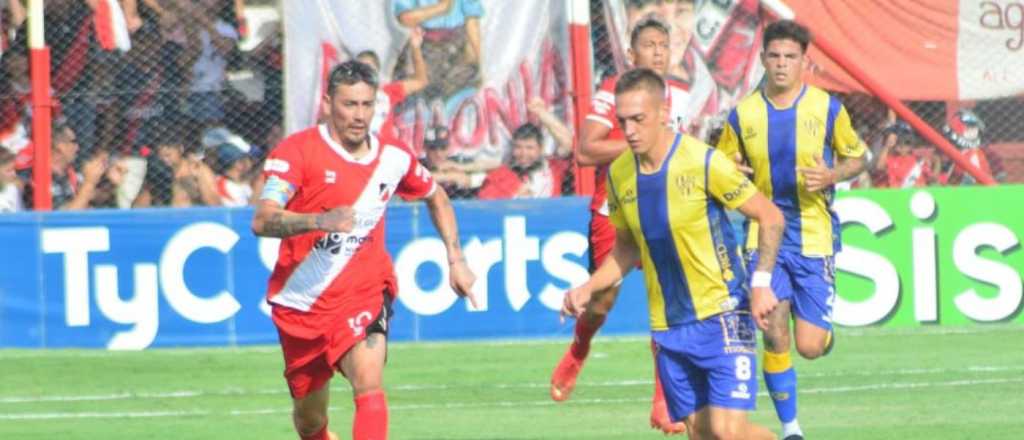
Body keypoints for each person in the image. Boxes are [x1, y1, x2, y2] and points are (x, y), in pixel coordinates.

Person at [251, 61, 477, 440]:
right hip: (302, 304)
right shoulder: (297, 153)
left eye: (366, 105)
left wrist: (457, 260)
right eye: (349, 104)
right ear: (327, 104)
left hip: (363, 292)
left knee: (368, 377)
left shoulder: (394, 157)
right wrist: (317, 221)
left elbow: (436, 196)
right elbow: (263, 220)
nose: (359, 115)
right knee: (309, 422)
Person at [562, 68, 783, 440]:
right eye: (622, 121)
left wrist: (761, 283)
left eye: (638, 119)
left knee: (729, 433)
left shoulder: (702, 161)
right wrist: (589, 287)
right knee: (702, 434)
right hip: (668, 328)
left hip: (723, 313)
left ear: (663, 112)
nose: (629, 130)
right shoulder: (618, 176)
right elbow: (626, 249)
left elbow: (770, 216)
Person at [715, 20, 868, 440]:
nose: (781, 64)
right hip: (764, 237)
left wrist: (833, 173)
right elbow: (721, 163)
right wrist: (731, 171)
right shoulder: (742, 114)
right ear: (763, 59)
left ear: (804, 62)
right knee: (773, 331)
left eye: (790, 57)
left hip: (814, 234)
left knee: (810, 347)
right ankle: (792, 429)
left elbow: (860, 157)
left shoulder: (827, 108)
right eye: (774, 56)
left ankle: (823, 335)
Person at [551, 16, 693, 434]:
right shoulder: (611, 90)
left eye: (663, 45)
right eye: (648, 45)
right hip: (614, 211)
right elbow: (585, 149)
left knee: (667, 302)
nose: (658, 52)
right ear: (631, 54)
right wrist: (640, 141)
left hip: (665, 211)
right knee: (602, 302)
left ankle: (663, 402)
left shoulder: (681, 95)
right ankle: (579, 348)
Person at [477, 98, 573, 200]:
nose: (523, 153)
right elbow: (487, 204)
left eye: (529, 148)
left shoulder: (554, 167)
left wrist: (542, 113)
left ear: (541, 149)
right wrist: (516, 197)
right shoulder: (500, 175)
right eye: (518, 147)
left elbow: (569, 144)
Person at [393, 0, 482, 102]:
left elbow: (472, 21)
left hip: (457, 46)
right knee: (413, 94)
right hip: (423, 46)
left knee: (462, 96)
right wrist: (441, 8)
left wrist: (476, 58)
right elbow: (404, 18)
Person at [356, 27, 429, 140]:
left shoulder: (388, 92)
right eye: (360, 69)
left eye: (369, 69)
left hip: (383, 150)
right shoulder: (346, 95)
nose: (364, 74)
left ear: (377, 73)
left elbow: (420, 81)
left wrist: (415, 48)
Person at [19, 121, 107, 210]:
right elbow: (66, 217)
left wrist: (111, 182)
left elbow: (93, 197)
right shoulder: (39, 177)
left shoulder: (69, 172)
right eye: (73, 142)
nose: (77, 147)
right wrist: (89, 182)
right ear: (60, 147)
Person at [0, 148, 21, 213]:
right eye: (8, 170)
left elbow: (19, 216)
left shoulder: (13, 190)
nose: (14, 174)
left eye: (14, 169)